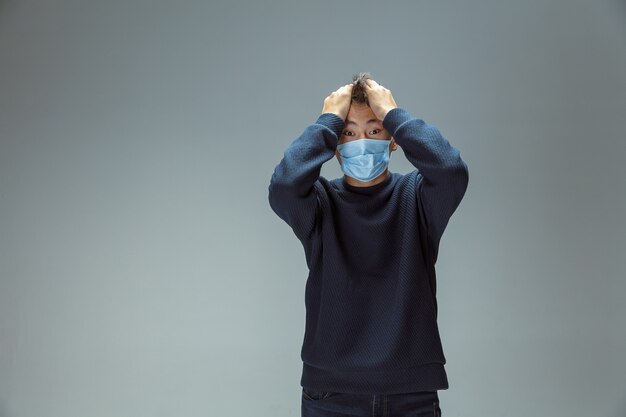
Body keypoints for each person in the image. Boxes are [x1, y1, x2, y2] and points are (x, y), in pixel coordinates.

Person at [267, 73, 469, 417]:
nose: (362, 142)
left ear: (393, 140)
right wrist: (327, 121)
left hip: (411, 394)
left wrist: (393, 112)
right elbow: (284, 187)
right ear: (335, 145)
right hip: (332, 395)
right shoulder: (321, 202)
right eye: (349, 132)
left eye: (375, 130)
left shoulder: (417, 197)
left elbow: (451, 170)